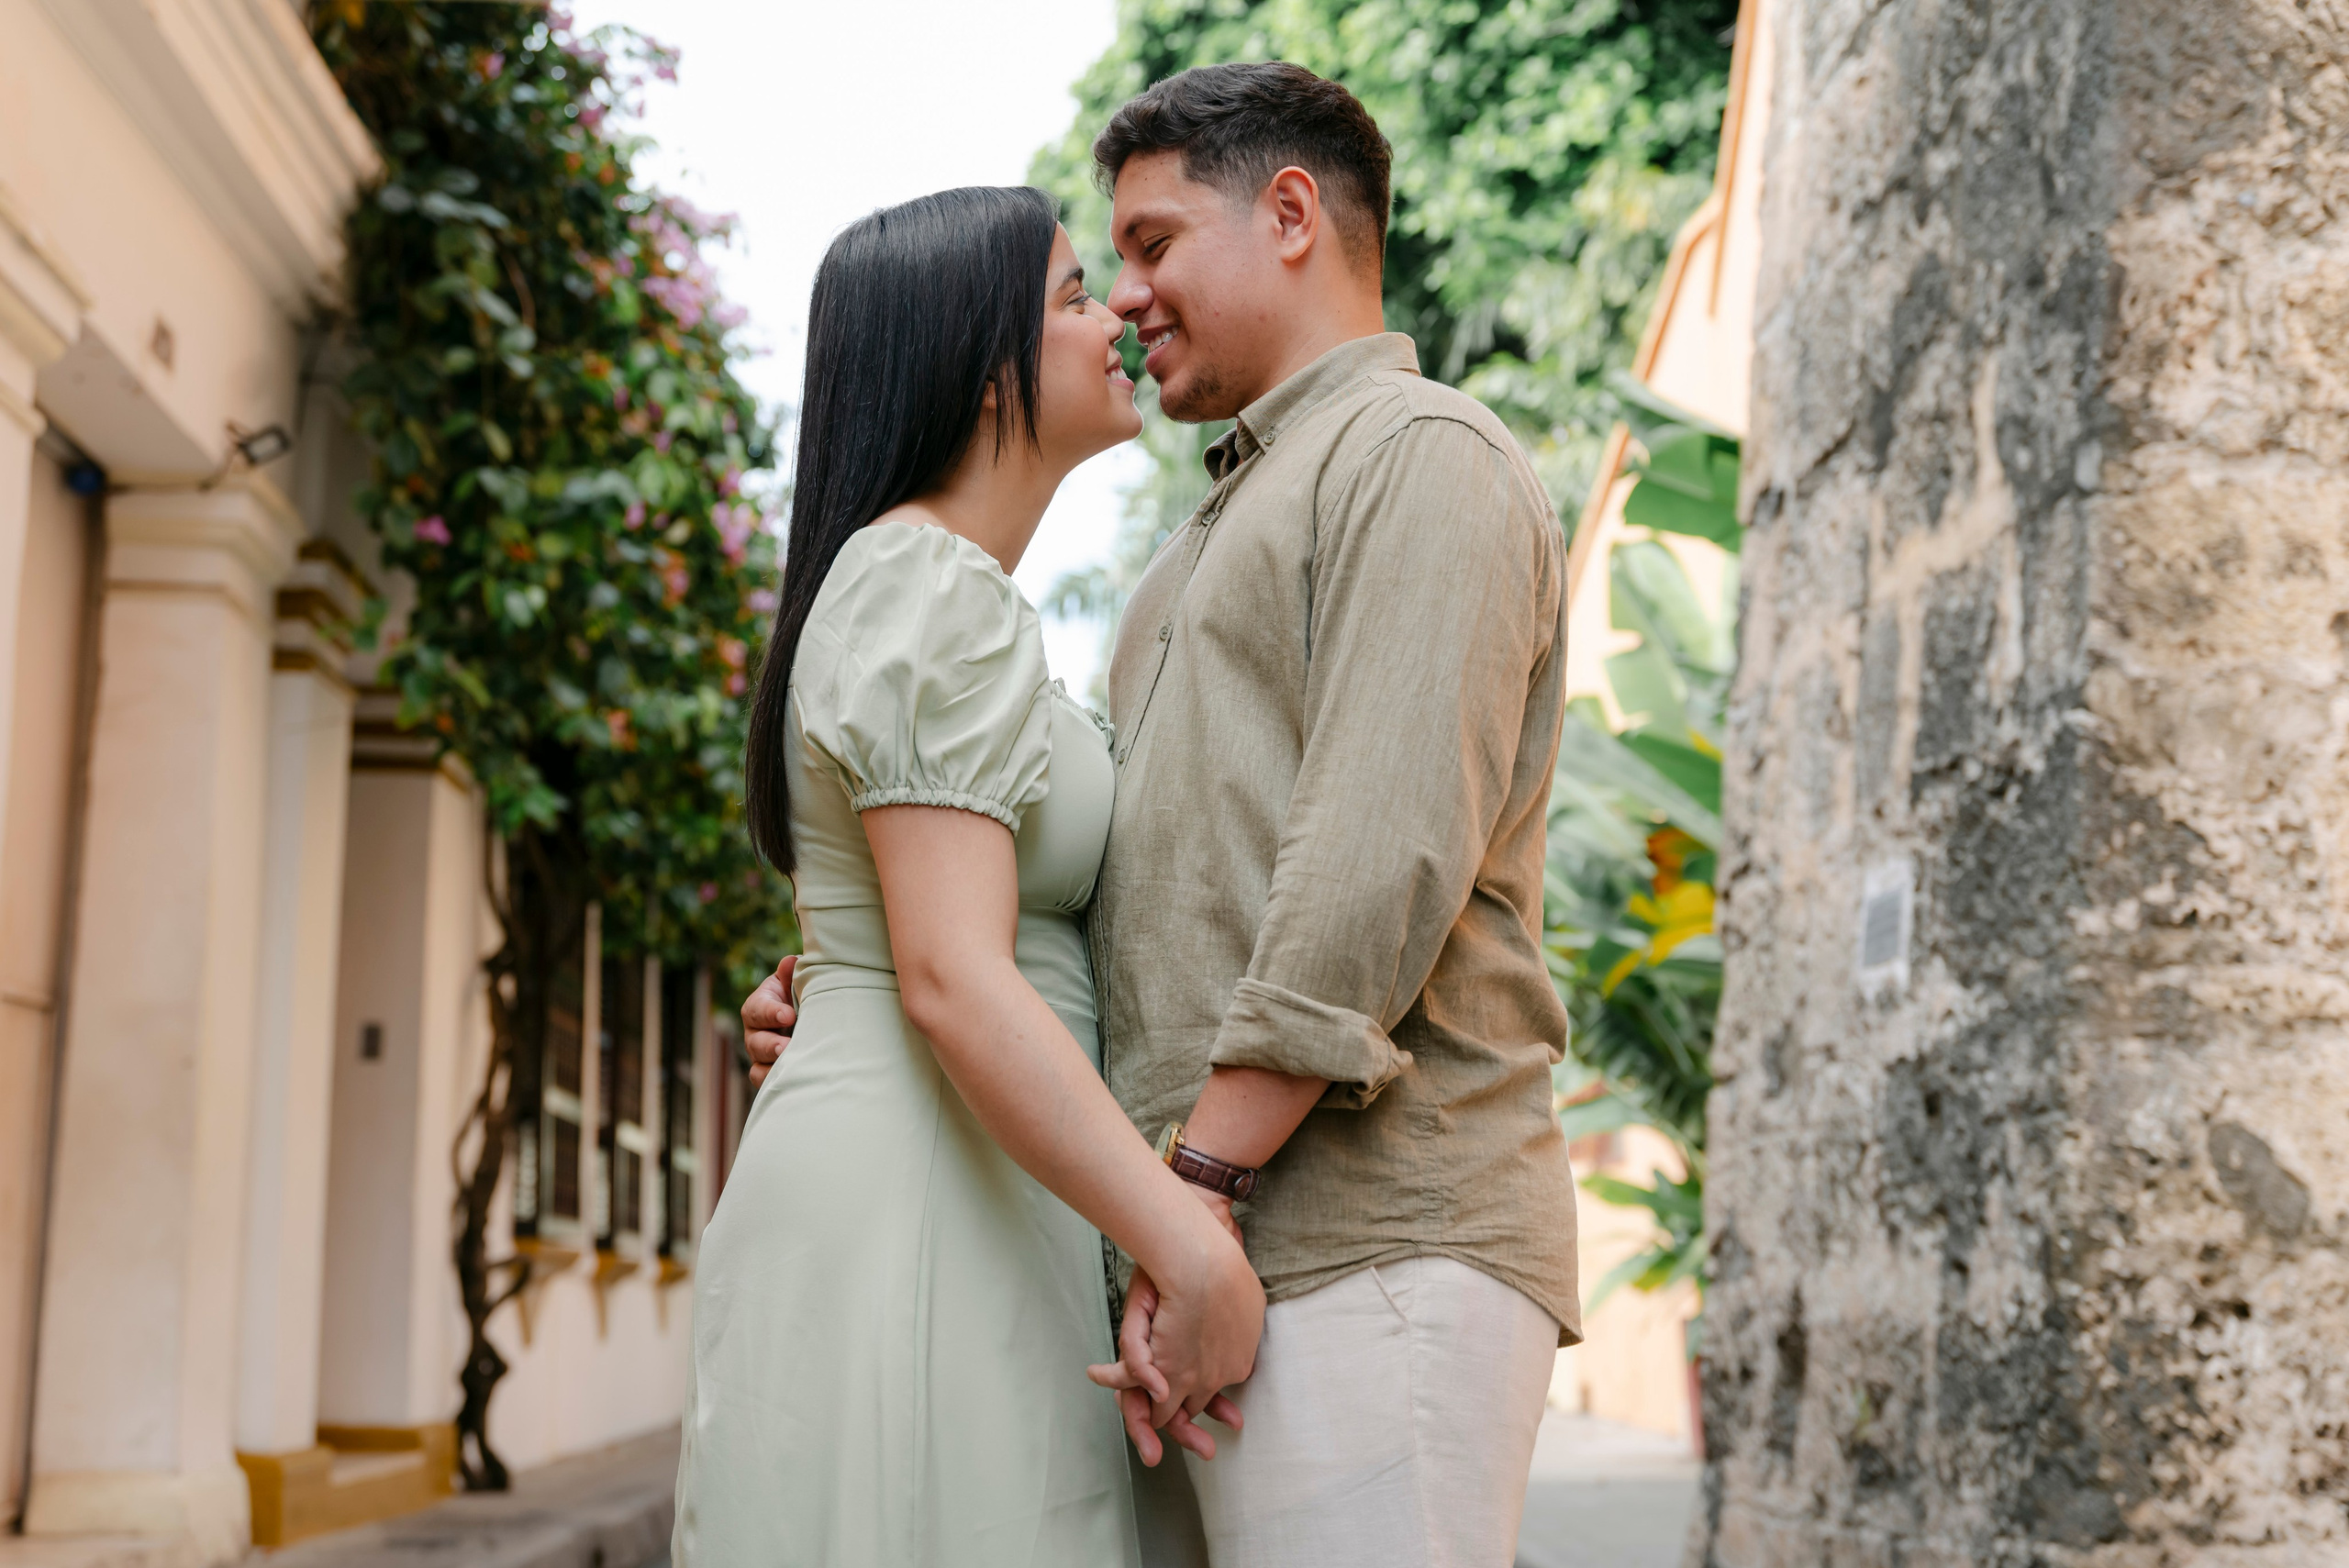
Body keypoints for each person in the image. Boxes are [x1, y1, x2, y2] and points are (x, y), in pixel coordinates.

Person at [747, 62, 1581, 1568]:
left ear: (1287, 215)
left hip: (1364, 1232)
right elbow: (1098, 897)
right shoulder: (1177, 564)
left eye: (1148, 245)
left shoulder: (1418, 456)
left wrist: (1190, 1195)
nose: (1126, 296)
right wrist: (852, 980)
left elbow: (1364, 877)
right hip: (1200, 1261)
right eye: (1101, 269)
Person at [674, 184, 1262, 1568]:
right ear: (975, 364)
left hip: (965, 1177)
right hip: (923, 1188)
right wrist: (1192, 1247)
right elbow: (946, 973)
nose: (1116, 311)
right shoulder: (928, 584)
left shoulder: (934, 591)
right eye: (1070, 294)